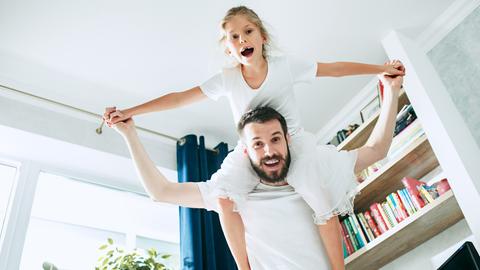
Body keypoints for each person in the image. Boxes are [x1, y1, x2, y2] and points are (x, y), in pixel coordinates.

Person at [104, 6, 405, 269]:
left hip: (297, 144)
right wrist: (132, 112)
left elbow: (334, 69)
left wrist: (382, 70)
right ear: (228, 50)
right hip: (245, 149)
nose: (242, 39)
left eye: (247, 31)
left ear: (262, 37)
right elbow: (180, 99)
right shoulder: (228, 79)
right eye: (234, 37)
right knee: (223, 197)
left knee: (321, 202)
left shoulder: (285, 66)